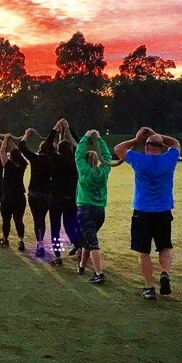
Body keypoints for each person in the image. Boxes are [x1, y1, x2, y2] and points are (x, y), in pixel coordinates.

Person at [114, 127, 180, 300]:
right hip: (163, 210)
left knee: (143, 252)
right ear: (162, 147)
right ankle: (165, 272)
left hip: (142, 211)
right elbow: (175, 143)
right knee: (165, 246)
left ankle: (149, 287)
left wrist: (137, 139)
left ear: (146, 147)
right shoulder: (169, 159)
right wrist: (155, 134)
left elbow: (118, 149)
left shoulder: (139, 160)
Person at [75, 129, 112, 284]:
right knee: (87, 240)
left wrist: (86, 136)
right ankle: (82, 265)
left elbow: (78, 154)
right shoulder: (104, 170)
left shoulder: (83, 170)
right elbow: (108, 157)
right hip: (99, 211)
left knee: (92, 242)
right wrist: (99, 140)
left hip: (85, 210)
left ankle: (98, 273)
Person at [46, 119, 82, 265]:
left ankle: (57, 256)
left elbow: (48, 145)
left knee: (55, 228)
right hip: (71, 198)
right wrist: (69, 129)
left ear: (58, 150)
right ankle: (79, 248)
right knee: (70, 226)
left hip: (56, 199)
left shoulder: (55, 160)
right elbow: (79, 145)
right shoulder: (75, 161)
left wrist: (54, 129)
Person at [19, 128, 53, 258]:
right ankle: (41, 243)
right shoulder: (53, 160)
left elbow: (22, 147)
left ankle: (40, 243)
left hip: (34, 193)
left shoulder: (35, 158)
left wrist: (26, 135)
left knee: (36, 219)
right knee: (42, 219)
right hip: (47, 194)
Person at [0, 134, 28, 250]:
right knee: (18, 220)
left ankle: (5, 239)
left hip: (8, 197)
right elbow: (17, 152)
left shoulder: (8, 165)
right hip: (20, 197)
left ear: (11, 157)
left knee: (6, 220)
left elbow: (2, 151)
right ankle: (21, 240)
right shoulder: (22, 165)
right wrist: (11, 141)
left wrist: (6, 138)